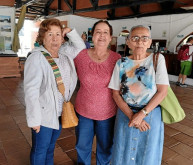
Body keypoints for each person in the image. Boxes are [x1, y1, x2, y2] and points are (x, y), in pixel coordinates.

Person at [24, 18, 85, 165]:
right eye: (50, 34)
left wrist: (70, 31)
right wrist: (34, 120)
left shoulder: (64, 54)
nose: (54, 38)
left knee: (51, 148)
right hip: (44, 115)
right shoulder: (37, 57)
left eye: (58, 34)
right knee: (40, 149)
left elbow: (81, 48)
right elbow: (31, 91)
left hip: (59, 112)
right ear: (42, 37)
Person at [108, 25, 169, 165]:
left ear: (150, 42)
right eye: (135, 38)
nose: (140, 42)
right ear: (128, 42)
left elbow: (162, 91)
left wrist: (141, 114)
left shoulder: (157, 59)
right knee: (122, 152)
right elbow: (115, 93)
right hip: (125, 113)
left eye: (144, 38)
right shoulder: (121, 63)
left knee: (147, 153)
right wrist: (132, 116)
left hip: (150, 114)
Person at [74, 20, 121, 165]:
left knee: (106, 147)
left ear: (110, 36)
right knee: (82, 146)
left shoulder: (117, 59)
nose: (101, 36)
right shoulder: (80, 56)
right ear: (92, 36)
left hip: (107, 113)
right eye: (98, 32)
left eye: (105, 32)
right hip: (83, 111)